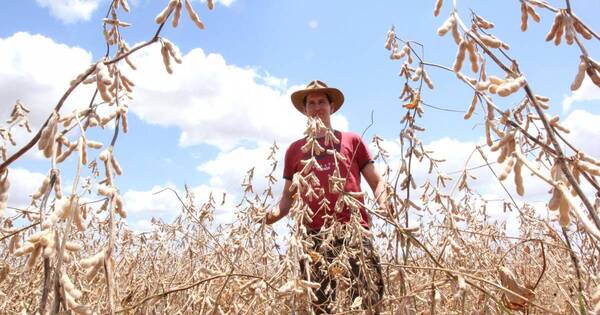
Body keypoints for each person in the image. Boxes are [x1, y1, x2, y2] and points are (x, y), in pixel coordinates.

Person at [264, 80, 391, 314]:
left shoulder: (351, 141)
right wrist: (271, 216)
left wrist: (384, 202)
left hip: (353, 229)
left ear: (332, 106)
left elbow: (376, 181)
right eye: (310, 103)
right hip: (312, 234)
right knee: (321, 303)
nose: (316, 107)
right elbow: (287, 198)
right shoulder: (294, 150)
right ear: (304, 110)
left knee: (369, 297)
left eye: (321, 101)